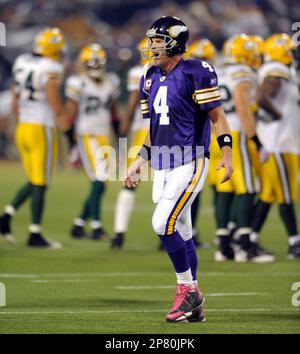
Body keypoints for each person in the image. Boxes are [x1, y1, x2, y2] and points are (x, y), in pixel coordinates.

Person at [124, 16, 233, 323]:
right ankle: (195, 303)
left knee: (162, 224)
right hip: (162, 163)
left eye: (157, 40)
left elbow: (218, 117)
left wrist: (226, 152)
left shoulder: (196, 71)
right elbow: (155, 127)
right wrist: (140, 159)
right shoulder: (150, 75)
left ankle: (186, 290)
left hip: (190, 159)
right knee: (182, 230)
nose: (152, 46)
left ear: (174, 42)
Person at [0, 28, 68, 248]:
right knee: (41, 182)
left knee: (34, 180)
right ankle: (34, 233)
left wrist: (16, 124)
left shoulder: (21, 60)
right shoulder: (52, 67)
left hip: (23, 126)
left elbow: (13, 96)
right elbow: (54, 102)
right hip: (41, 127)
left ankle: (6, 217)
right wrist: (68, 131)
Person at [214, 34, 272, 263]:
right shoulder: (242, 74)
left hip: (216, 133)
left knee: (226, 188)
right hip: (235, 133)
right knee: (248, 187)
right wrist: (256, 140)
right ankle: (245, 246)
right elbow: (242, 106)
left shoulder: (218, 71)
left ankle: (224, 245)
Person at [252, 33, 300, 259]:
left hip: (281, 143)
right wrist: (277, 114)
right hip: (279, 143)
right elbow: (262, 97)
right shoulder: (276, 69)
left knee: (269, 195)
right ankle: (294, 244)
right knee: (286, 195)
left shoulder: (279, 70)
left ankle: (248, 238)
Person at [65, 43, 120, 240]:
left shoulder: (111, 82)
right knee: (99, 179)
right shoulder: (78, 83)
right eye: (92, 62)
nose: (96, 65)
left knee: (102, 182)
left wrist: (119, 139)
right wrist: (71, 144)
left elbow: (113, 114)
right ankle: (96, 226)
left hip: (104, 135)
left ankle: (79, 224)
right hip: (86, 135)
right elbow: (70, 115)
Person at [111, 38, 150, 249]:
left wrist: (122, 137)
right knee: (168, 186)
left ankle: (119, 233)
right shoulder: (173, 71)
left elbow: (132, 106)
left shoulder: (138, 72)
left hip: (140, 133)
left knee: (129, 183)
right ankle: (171, 234)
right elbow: (134, 102)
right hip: (162, 133)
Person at [185, 38, 218, 248]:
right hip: (192, 141)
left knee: (209, 188)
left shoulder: (185, 75)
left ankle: (223, 231)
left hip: (203, 139)